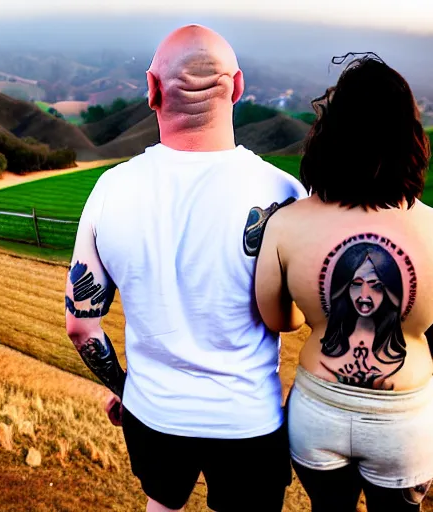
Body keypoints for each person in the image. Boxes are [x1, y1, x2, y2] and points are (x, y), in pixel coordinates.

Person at [65, 24, 307, 512]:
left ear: (153, 90)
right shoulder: (285, 193)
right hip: (249, 420)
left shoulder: (110, 189)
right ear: (236, 88)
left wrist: (125, 389)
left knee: (162, 503)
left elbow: (80, 325)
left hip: (153, 413)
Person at [255, 54, 433, 511]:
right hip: (407, 424)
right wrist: (399, 343)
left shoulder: (287, 225)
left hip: (318, 413)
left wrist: (318, 317)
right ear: (411, 139)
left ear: (328, 134)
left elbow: (279, 319)